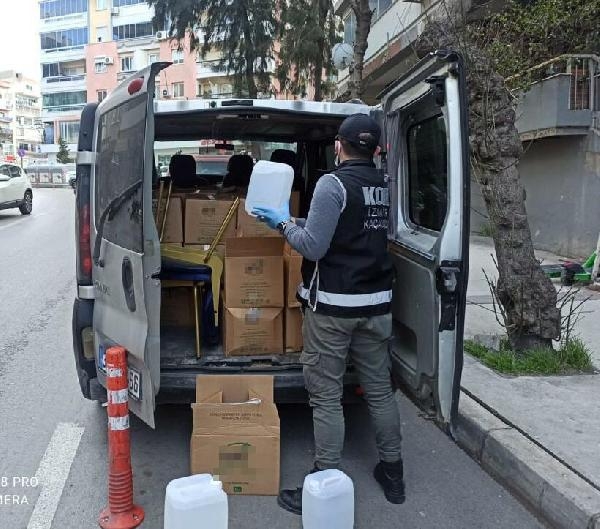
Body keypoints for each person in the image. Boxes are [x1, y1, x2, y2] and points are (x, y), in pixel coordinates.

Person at [253, 114, 404, 515]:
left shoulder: (331, 184)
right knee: (379, 391)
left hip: (334, 307)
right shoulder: (385, 185)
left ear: (338, 146)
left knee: (325, 396)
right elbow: (350, 228)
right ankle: (394, 474)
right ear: (376, 150)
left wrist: (282, 224)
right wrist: (297, 222)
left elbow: (313, 247)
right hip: (376, 304)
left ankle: (324, 485)